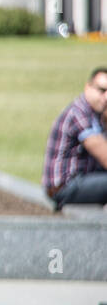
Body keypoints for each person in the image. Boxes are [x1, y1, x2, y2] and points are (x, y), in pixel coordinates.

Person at [43, 67, 107, 210]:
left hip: (83, 179)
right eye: (102, 90)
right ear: (88, 87)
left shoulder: (96, 114)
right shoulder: (79, 114)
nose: (106, 97)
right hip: (64, 186)